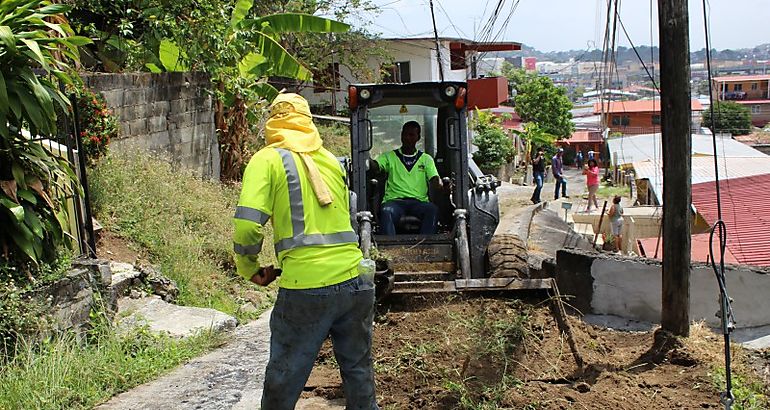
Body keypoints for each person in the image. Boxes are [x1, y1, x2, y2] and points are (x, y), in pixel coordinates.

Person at [232, 93, 378, 410]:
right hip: (357, 282)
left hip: (306, 290)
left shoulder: (267, 159)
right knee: (358, 372)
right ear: (308, 121)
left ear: (273, 121)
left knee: (284, 378)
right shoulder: (330, 160)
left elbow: (247, 227)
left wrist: (249, 269)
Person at [371, 121, 443, 235]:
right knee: (386, 211)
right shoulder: (389, 157)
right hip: (394, 202)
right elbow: (376, 166)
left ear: (418, 137)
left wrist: (439, 184)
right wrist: (368, 161)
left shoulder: (426, 159)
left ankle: (426, 246)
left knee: (432, 209)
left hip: (419, 202)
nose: (407, 138)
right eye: (405, 134)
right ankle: (389, 249)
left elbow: (434, 177)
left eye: (411, 135)